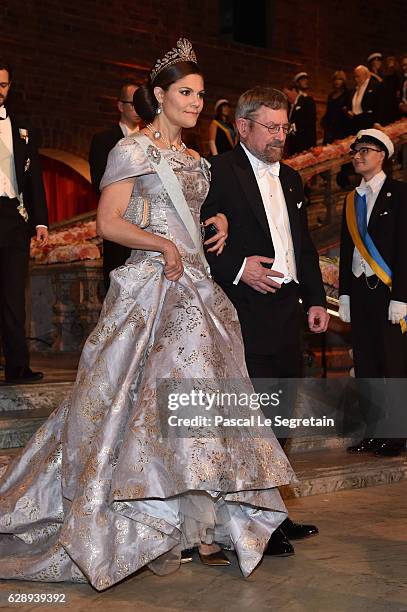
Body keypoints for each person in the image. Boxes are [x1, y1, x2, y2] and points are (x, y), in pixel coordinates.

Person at [0, 39, 295, 590]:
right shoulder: (132, 150)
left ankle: (201, 526)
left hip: (196, 291)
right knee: (126, 408)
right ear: (158, 96)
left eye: (201, 94)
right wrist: (162, 245)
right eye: (185, 92)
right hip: (149, 290)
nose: (196, 102)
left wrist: (222, 223)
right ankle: (150, 515)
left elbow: (198, 218)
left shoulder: (196, 161)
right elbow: (108, 224)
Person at [201, 86, 329, 555]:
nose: (280, 136)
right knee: (249, 420)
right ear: (243, 126)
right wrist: (239, 267)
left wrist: (316, 298)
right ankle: (252, 525)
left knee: (280, 416)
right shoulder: (218, 172)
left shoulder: (293, 178)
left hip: (287, 308)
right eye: (271, 127)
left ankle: (274, 514)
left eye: (284, 127)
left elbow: (304, 245)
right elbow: (198, 234)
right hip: (243, 310)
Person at [339, 129, 407, 457]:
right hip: (361, 293)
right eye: (356, 151)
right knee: (366, 364)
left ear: (382, 156)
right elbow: (346, 248)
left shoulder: (400, 194)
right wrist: (345, 294)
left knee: (391, 365)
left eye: (366, 150)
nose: (358, 155)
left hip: (389, 292)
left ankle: (396, 435)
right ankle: (372, 431)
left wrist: (402, 296)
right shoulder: (352, 199)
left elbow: (405, 249)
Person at [0, 60, 48, 384]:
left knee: (14, 297)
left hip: (15, 219)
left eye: (3, 85)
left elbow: (34, 181)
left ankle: (17, 367)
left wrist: (41, 222)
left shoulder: (23, 128)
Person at [89, 83, 141, 289]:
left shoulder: (154, 140)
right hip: (118, 221)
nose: (137, 109)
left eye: (141, 104)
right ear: (120, 106)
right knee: (118, 289)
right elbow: (99, 182)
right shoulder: (104, 140)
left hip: (149, 226)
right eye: (132, 104)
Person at [283, 73, 317, 156]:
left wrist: (291, 127)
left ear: (294, 91)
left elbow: (310, 122)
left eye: (287, 94)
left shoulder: (307, 101)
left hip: (305, 144)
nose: (286, 97)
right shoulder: (290, 106)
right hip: (294, 145)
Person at [348, 65, 381, 133]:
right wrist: (350, 110)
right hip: (355, 122)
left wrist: (377, 121)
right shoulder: (355, 89)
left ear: (366, 75)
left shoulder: (374, 86)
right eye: (355, 77)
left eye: (358, 76)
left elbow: (379, 104)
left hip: (368, 121)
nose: (356, 79)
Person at [322, 70, 352, 144]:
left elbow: (348, 110)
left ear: (343, 81)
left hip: (342, 127)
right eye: (335, 79)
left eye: (340, 79)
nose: (337, 81)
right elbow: (328, 111)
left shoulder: (348, 94)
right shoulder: (331, 95)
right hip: (330, 128)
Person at [379, 56, 402, 125]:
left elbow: (398, 88)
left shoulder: (398, 75)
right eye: (388, 62)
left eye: (391, 62)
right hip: (387, 103)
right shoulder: (385, 76)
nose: (390, 64)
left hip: (394, 103)